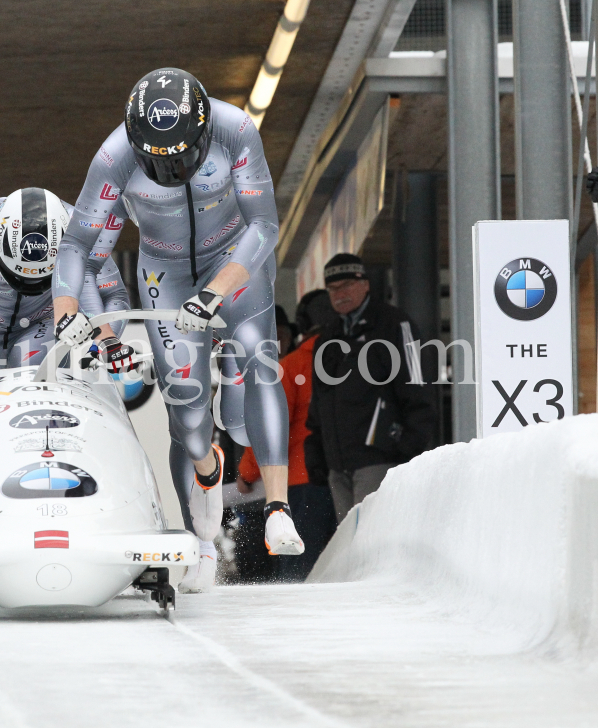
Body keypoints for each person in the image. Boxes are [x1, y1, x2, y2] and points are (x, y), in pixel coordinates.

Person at [51, 67, 302, 593]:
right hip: (164, 272)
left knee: (256, 360)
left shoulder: (236, 129)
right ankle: (205, 501)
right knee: (187, 416)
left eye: (184, 155)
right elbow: (76, 243)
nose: (173, 168)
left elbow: (264, 226)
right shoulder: (114, 156)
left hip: (236, 261)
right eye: (158, 160)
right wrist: (65, 309)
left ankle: (279, 509)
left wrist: (216, 292)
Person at [0, 188, 135, 373]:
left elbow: (113, 293)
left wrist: (106, 340)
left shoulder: (81, 234)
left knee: (36, 383)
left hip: (43, 322)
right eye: (18, 275)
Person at [304, 254, 437, 522]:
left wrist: (407, 445)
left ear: (365, 284)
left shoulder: (395, 325)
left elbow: (418, 386)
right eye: (332, 289)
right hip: (337, 466)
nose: (339, 294)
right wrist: (317, 452)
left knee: (372, 541)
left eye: (346, 285)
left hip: (380, 459)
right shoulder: (327, 337)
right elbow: (318, 401)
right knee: (351, 545)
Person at [236, 289, 339, 580]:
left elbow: (270, 430)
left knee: (298, 568)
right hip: (344, 478)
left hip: (300, 482)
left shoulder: (290, 367)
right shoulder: (351, 358)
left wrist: (247, 474)